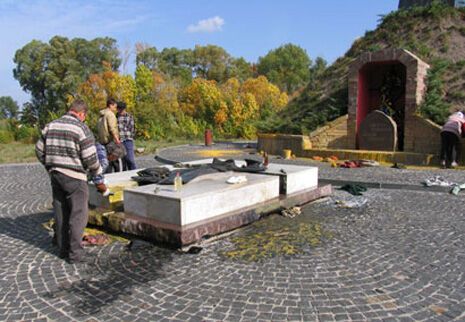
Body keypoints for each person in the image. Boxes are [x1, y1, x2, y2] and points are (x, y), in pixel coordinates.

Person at [35, 99, 108, 263]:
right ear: (82, 114)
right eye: (85, 116)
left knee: (61, 213)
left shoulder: (51, 125)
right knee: (78, 214)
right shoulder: (81, 128)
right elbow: (90, 157)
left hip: (55, 174)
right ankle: (75, 254)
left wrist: (49, 165)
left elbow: (39, 149)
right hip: (75, 177)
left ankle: (62, 249)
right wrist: (97, 173)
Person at [97, 98, 122, 172]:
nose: (115, 108)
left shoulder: (101, 115)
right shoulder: (110, 114)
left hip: (103, 141)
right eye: (115, 106)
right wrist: (117, 140)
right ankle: (118, 177)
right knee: (116, 161)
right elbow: (112, 128)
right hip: (110, 141)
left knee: (108, 162)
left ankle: (109, 178)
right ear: (110, 105)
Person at [117, 101, 137, 170]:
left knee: (130, 160)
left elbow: (132, 128)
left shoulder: (129, 116)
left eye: (122, 109)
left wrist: (130, 136)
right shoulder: (116, 117)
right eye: (119, 109)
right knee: (123, 161)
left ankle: (134, 172)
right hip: (120, 141)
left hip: (128, 140)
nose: (120, 111)